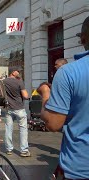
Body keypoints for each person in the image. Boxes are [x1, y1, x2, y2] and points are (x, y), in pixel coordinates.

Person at [37, 16, 89, 179]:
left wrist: (45, 94)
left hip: (80, 168)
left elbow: (53, 123)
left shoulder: (68, 73)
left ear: (82, 38)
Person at [3, 68, 30, 157]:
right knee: (23, 129)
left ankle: (9, 149)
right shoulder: (19, 81)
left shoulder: (3, 82)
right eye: (18, 71)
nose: (19, 72)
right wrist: (28, 96)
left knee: (8, 129)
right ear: (13, 72)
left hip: (8, 108)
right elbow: (25, 95)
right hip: (19, 108)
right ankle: (24, 150)